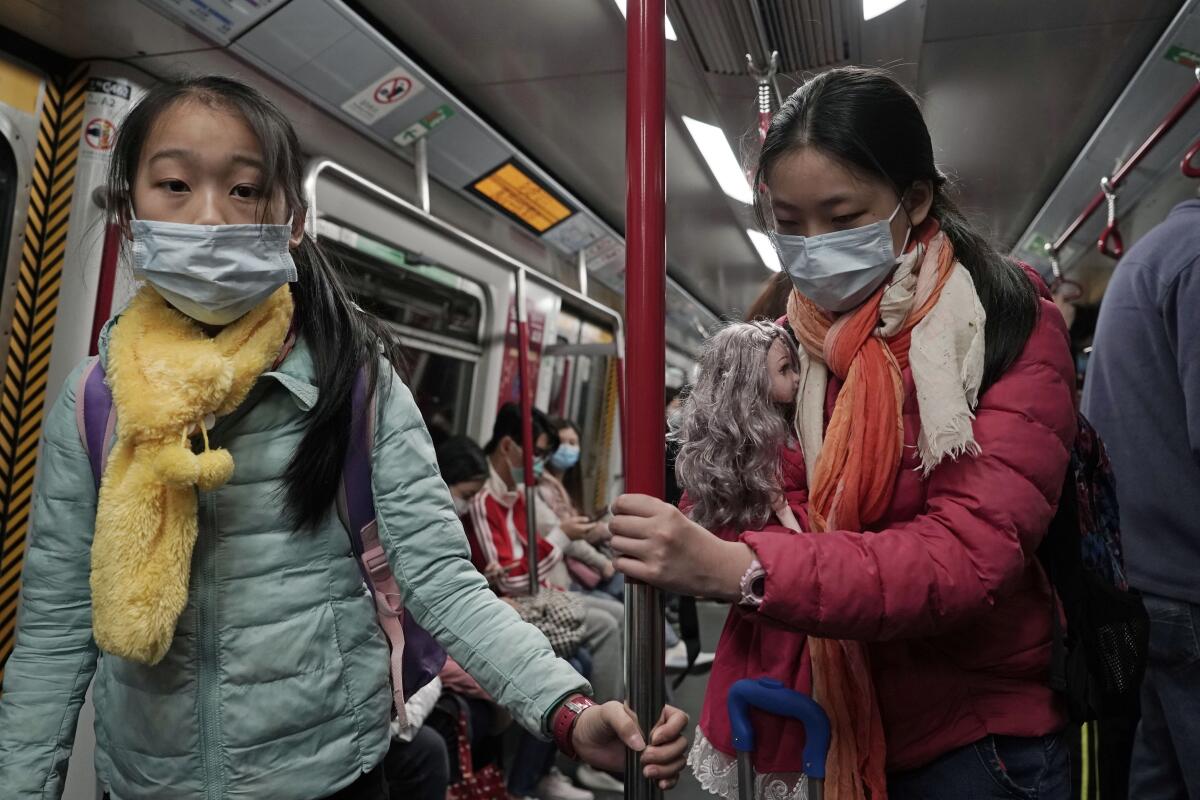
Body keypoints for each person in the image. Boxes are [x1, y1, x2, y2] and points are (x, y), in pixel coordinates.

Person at [0, 75, 689, 800]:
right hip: (145, 782)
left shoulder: (355, 386)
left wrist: (565, 708)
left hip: (329, 777)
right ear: (130, 213)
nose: (208, 218)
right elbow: (55, 631)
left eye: (244, 190)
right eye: (173, 185)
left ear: (292, 220)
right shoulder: (94, 402)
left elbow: (443, 585)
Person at [610, 66, 1076, 800]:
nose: (813, 247)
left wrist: (741, 571)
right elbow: (751, 507)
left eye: (841, 215)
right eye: (789, 224)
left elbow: (968, 556)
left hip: (974, 740)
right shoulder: (783, 341)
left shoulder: (1003, 327)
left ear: (913, 199)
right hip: (820, 722)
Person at [1082, 195, 1200, 800]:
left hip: (1145, 586)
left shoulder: (1151, 255)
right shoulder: (1196, 260)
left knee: (1160, 779)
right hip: (1189, 587)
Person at [671, 321, 815, 799]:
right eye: (785, 369)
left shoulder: (786, 432)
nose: (797, 380)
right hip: (781, 578)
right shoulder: (771, 447)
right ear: (752, 379)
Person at [463, 404, 623, 705]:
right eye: (535, 454)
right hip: (512, 603)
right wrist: (561, 537)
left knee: (616, 615)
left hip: (538, 592)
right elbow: (513, 579)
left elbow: (532, 553)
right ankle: (604, 719)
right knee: (605, 627)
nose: (539, 463)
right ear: (508, 446)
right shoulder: (485, 499)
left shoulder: (519, 494)